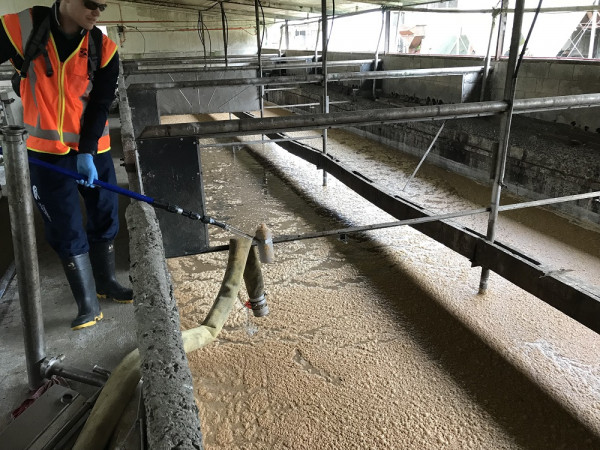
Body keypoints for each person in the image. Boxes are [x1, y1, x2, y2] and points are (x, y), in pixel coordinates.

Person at [0, 0, 132, 330]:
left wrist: (87, 152)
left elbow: (101, 105)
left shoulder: (105, 48)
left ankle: (106, 284)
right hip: (45, 152)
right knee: (64, 222)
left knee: (104, 211)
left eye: (102, 6)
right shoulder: (24, 29)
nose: (97, 12)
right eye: (90, 4)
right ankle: (87, 302)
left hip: (94, 149)